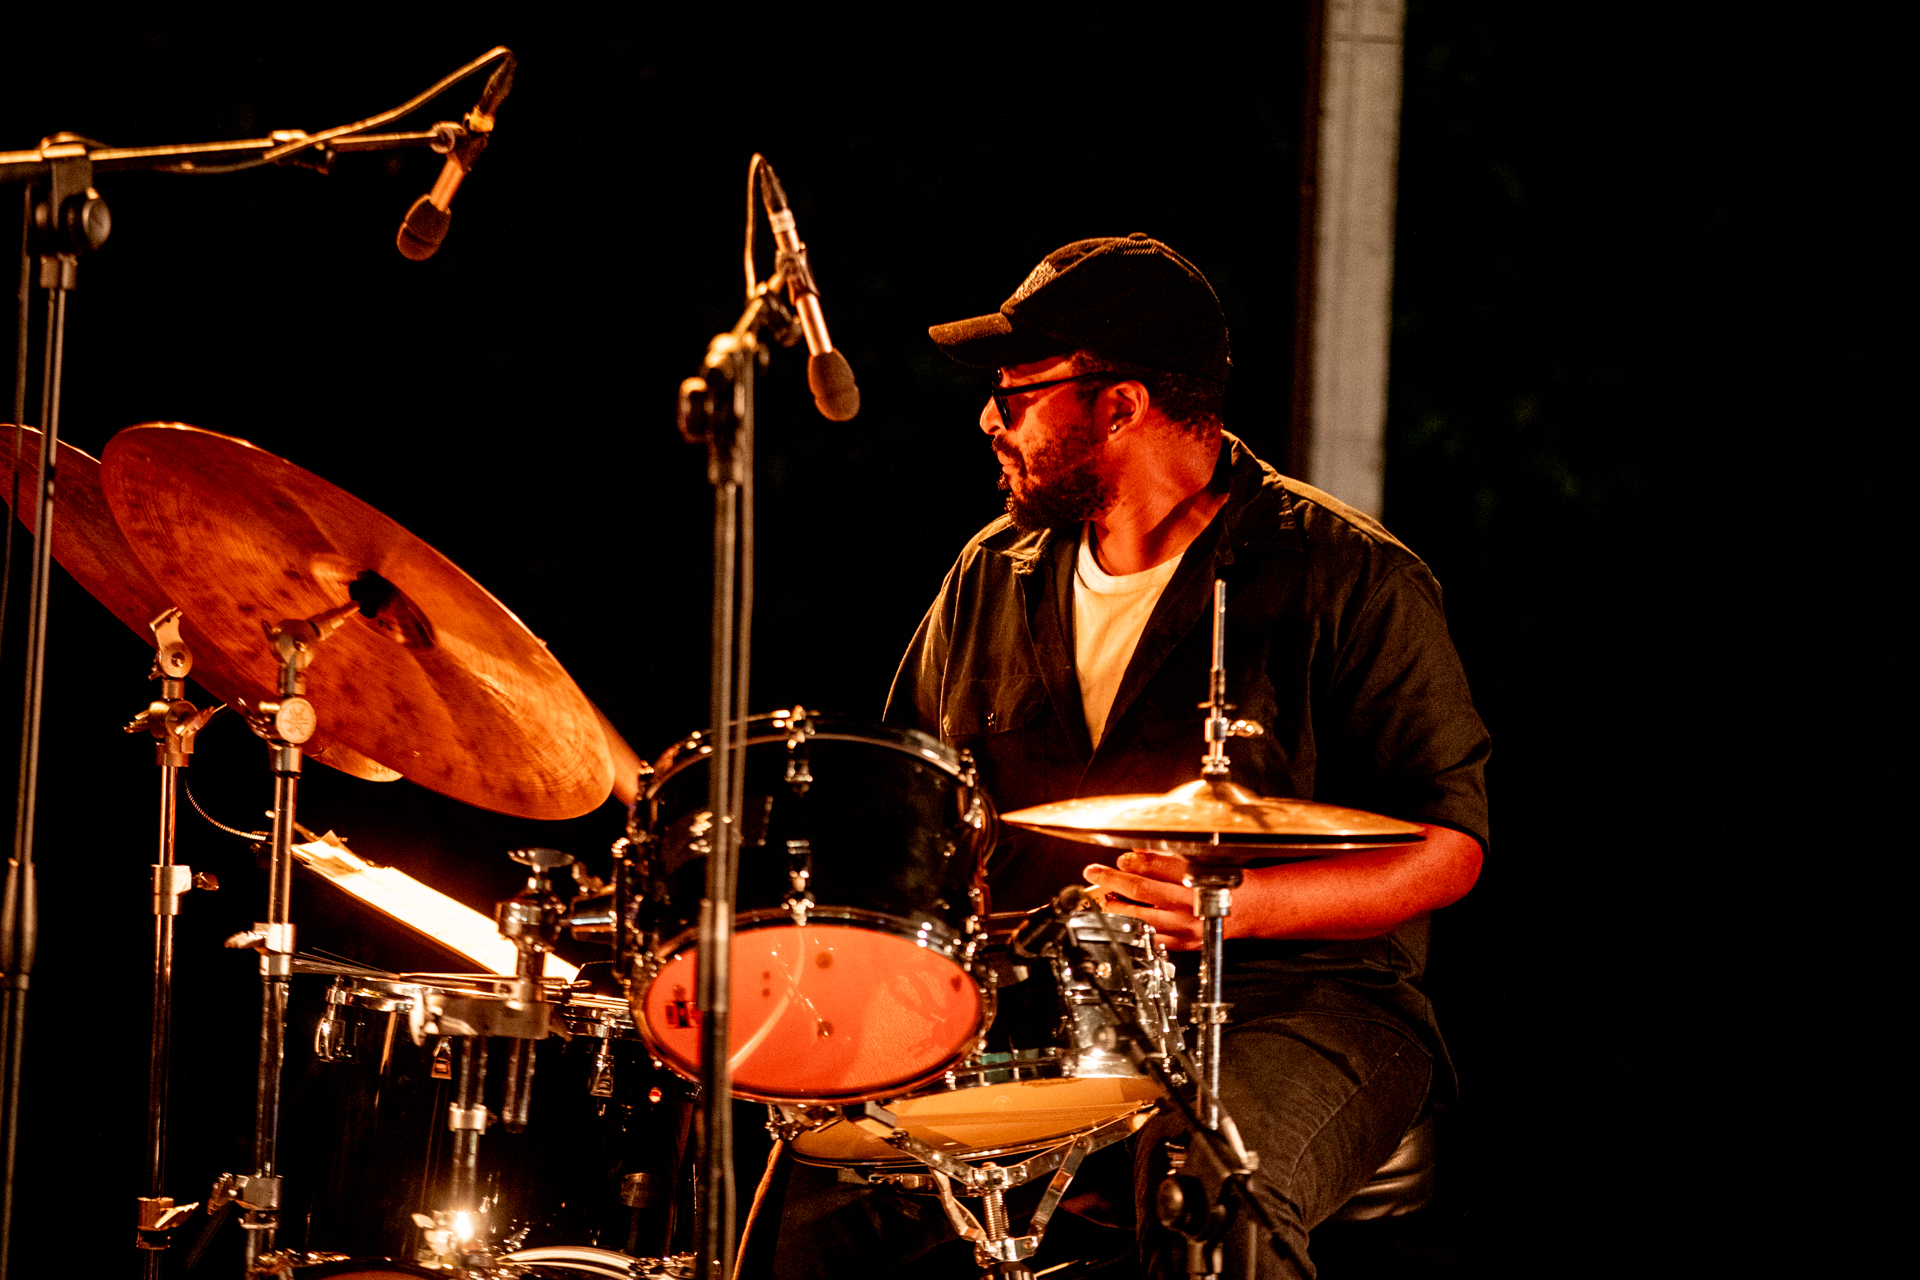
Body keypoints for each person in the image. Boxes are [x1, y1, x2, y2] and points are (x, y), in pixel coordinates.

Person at [873, 234, 1491, 1279]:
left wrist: (1235, 905)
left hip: (1307, 1000)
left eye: (1017, 392)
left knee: (1203, 1192)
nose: (989, 417)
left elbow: (1447, 849)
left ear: (1120, 405)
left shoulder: (1348, 575)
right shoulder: (988, 574)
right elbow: (907, 799)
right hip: (1041, 1006)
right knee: (818, 1183)